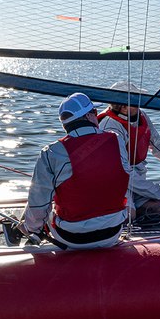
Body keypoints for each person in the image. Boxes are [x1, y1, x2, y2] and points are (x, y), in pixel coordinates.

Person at [22, 92, 133, 249]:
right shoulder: (117, 139)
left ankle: (30, 234)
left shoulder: (51, 151)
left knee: (40, 203)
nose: (97, 116)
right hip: (113, 232)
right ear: (89, 116)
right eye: (95, 112)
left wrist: (30, 228)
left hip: (72, 238)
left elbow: (38, 202)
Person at [98, 81, 160, 217]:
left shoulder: (141, 117)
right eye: (135, 100)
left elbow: (159, 147)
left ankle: (137, 211)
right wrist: (159, 192)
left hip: (136, 179)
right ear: (124, 107)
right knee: (128, 215)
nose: (140, 103)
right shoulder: (110, 127)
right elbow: (123, 172)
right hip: (115, 182)